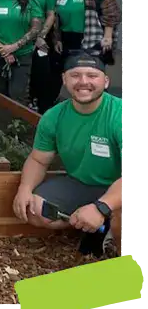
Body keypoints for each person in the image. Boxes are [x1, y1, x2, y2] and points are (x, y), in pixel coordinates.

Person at [12, 52, 123, 258]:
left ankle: (122, 259)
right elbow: (38, 159)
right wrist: (24, 188)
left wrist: (101, 208)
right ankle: (93, 225)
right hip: (81, 184)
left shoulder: (122, 115)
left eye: (92, 76)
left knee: (122, 216)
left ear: (105, 81)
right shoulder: (54, 116)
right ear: (64, 79)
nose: (83, 82)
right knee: (35, 209)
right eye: (75, 75)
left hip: (123, 189)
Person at [21, 0, 54, 113]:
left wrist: (41, 36)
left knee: (41, 71)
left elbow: (51, 13)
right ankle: (24, 103)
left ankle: (39, 105)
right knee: (23, 72)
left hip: (41, 37)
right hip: (20, 35)